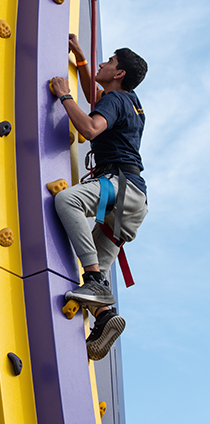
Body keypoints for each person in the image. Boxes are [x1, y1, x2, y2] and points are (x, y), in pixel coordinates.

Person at [51, 34, 148, 361]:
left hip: (118, 188)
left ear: (118, 74)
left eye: (109, 62)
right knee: (97, 276)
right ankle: (104, 317)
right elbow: (98, 100)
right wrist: (81, 58)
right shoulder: (131, 104)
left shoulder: (117, 101)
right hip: (133, 202)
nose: (103, 64)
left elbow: (91, 129)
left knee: (67, 201)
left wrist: (65, 97)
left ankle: (93, 280)